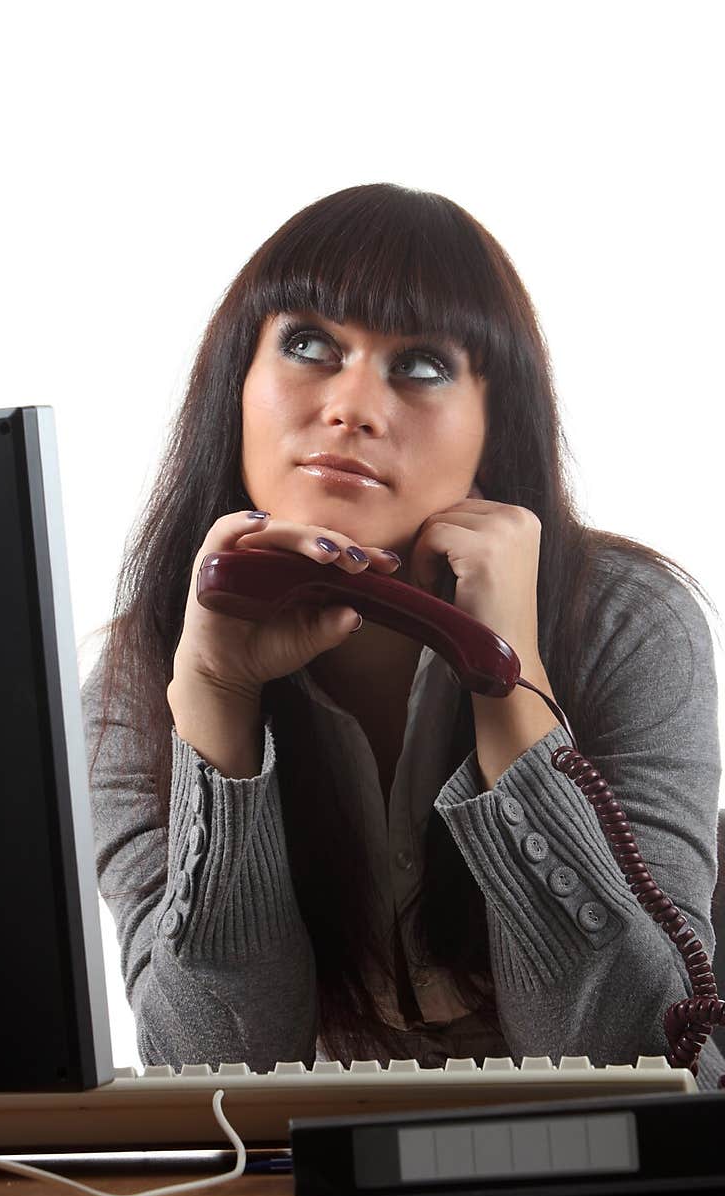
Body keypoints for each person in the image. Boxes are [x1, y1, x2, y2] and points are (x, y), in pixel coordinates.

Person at [81, 183, 724, 1089]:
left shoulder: (629, 622)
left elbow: (639, 1062)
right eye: (308, 345)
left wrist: (511, 683)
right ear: (238, 381)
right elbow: (215, 1076)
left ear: (497, 422)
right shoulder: (139, 673)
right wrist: (217, 704)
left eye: (420, 365)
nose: (351, 407)